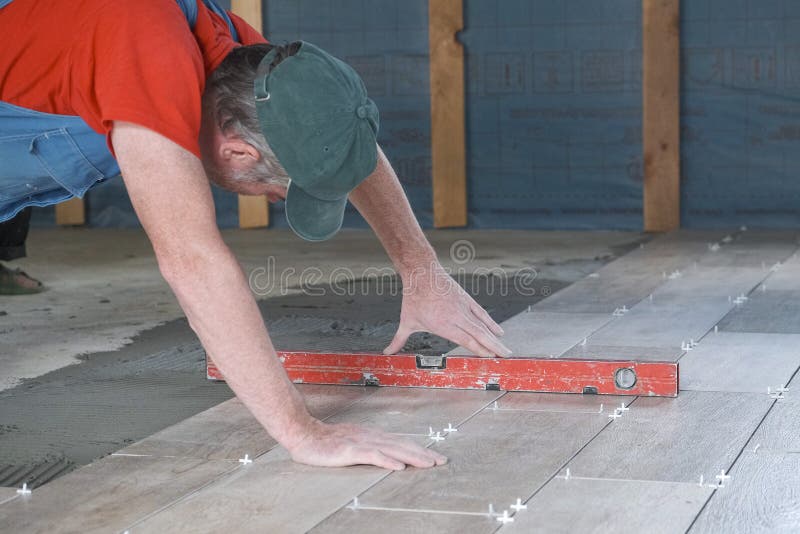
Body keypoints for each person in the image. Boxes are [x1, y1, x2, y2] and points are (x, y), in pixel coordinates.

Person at [0, 0, 511, 470]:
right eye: (278, 187)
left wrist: (423, 273)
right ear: (239, 151)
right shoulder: (145, 50)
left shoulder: (237, 55)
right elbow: (191, 260)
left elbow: (337, 130)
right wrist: (303, 431)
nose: (274, 196)